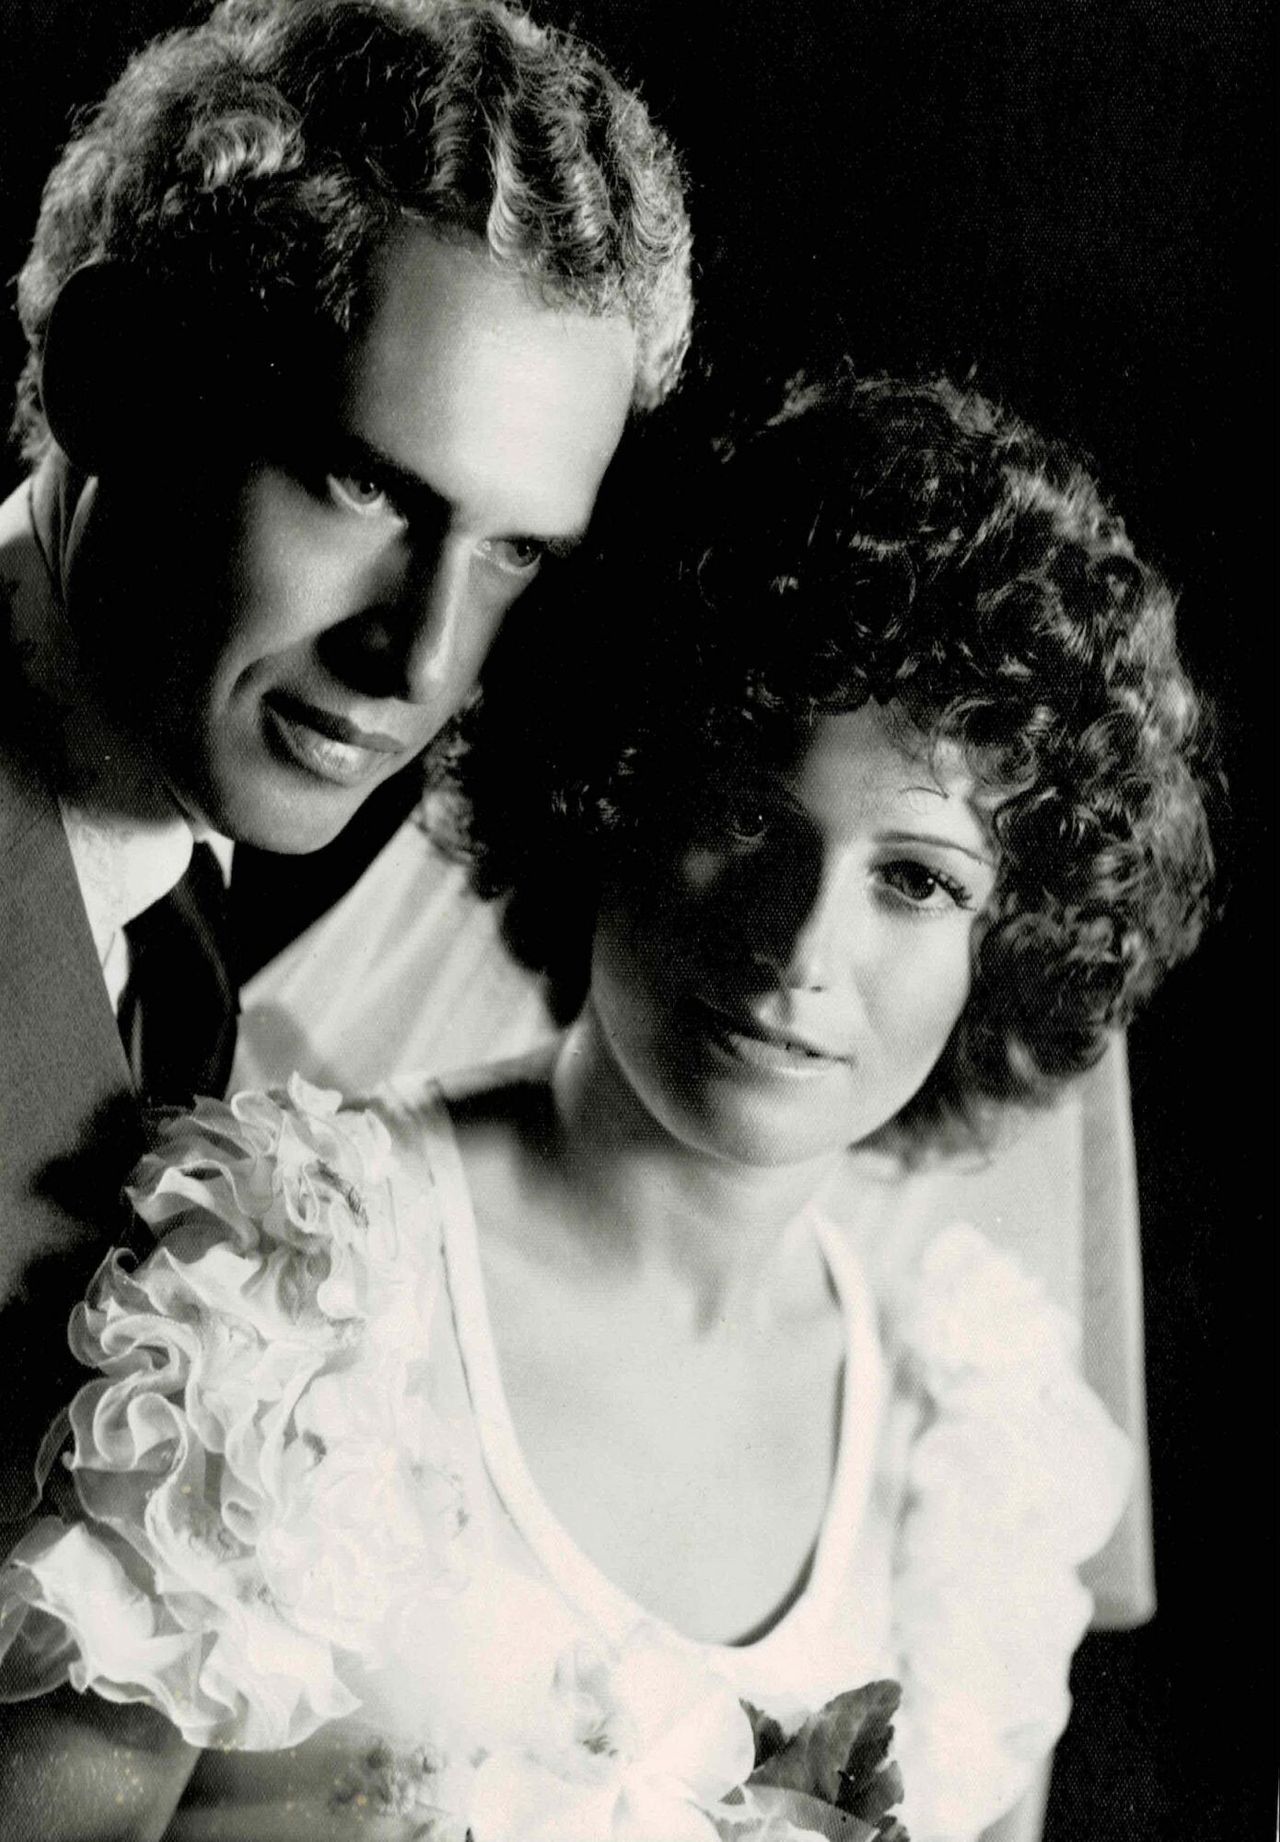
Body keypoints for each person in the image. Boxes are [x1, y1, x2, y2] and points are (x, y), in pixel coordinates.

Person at [0, 376, 1216, 1841]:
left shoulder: (974, 1453)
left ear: (1008, 941)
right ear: (612, 784)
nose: (801, 945)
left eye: (915, 879)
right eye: (746, 813)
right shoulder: (288, 1291)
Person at [0, 0, 692, 1520]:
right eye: (362, 483)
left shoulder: (171, 908)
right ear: (113, 377)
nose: (426, 659)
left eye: (515, 549)